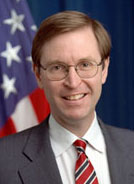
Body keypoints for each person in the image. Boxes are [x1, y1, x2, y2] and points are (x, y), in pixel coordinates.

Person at [0, 10, 134, 184]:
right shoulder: (4, 161)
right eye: (57, 67)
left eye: (85, 64)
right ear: (38, 75)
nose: (73, 82)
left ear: (104, 69)